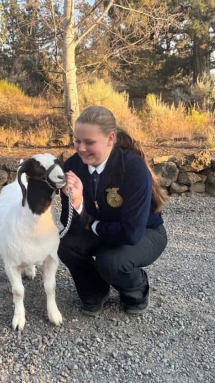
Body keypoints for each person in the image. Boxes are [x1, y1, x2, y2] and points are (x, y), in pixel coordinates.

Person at [59, 105, 168, 317]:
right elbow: (68, 223)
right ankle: (94, 292)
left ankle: (135, 290)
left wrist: (91, 224)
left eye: (89, 142)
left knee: (111, 261)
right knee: (65, 244)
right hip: (101, 228)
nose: (81, 148)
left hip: (145, 232)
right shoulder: (73, 165)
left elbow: (131, 233)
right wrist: (77, 202)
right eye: (77, 140)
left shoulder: (132, 168)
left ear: (110, 139)